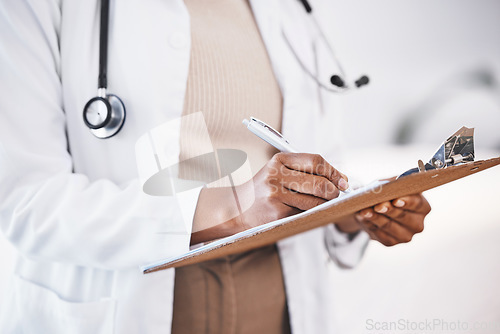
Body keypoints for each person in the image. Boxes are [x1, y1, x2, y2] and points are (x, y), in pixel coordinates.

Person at [0, 0, 431, 333]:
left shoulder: (285, 9)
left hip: (279, 299)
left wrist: (355, 213)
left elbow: (314, 159)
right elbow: (27, 200)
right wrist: (232, 207)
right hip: (135, 302)